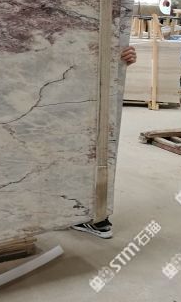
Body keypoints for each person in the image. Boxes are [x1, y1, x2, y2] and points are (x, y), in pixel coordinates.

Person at [71, 45, 137, 239]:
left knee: (96, 150)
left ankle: (95, 216)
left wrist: (121, 61)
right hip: (64, 89)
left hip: (94, 93)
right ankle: (68, 209)